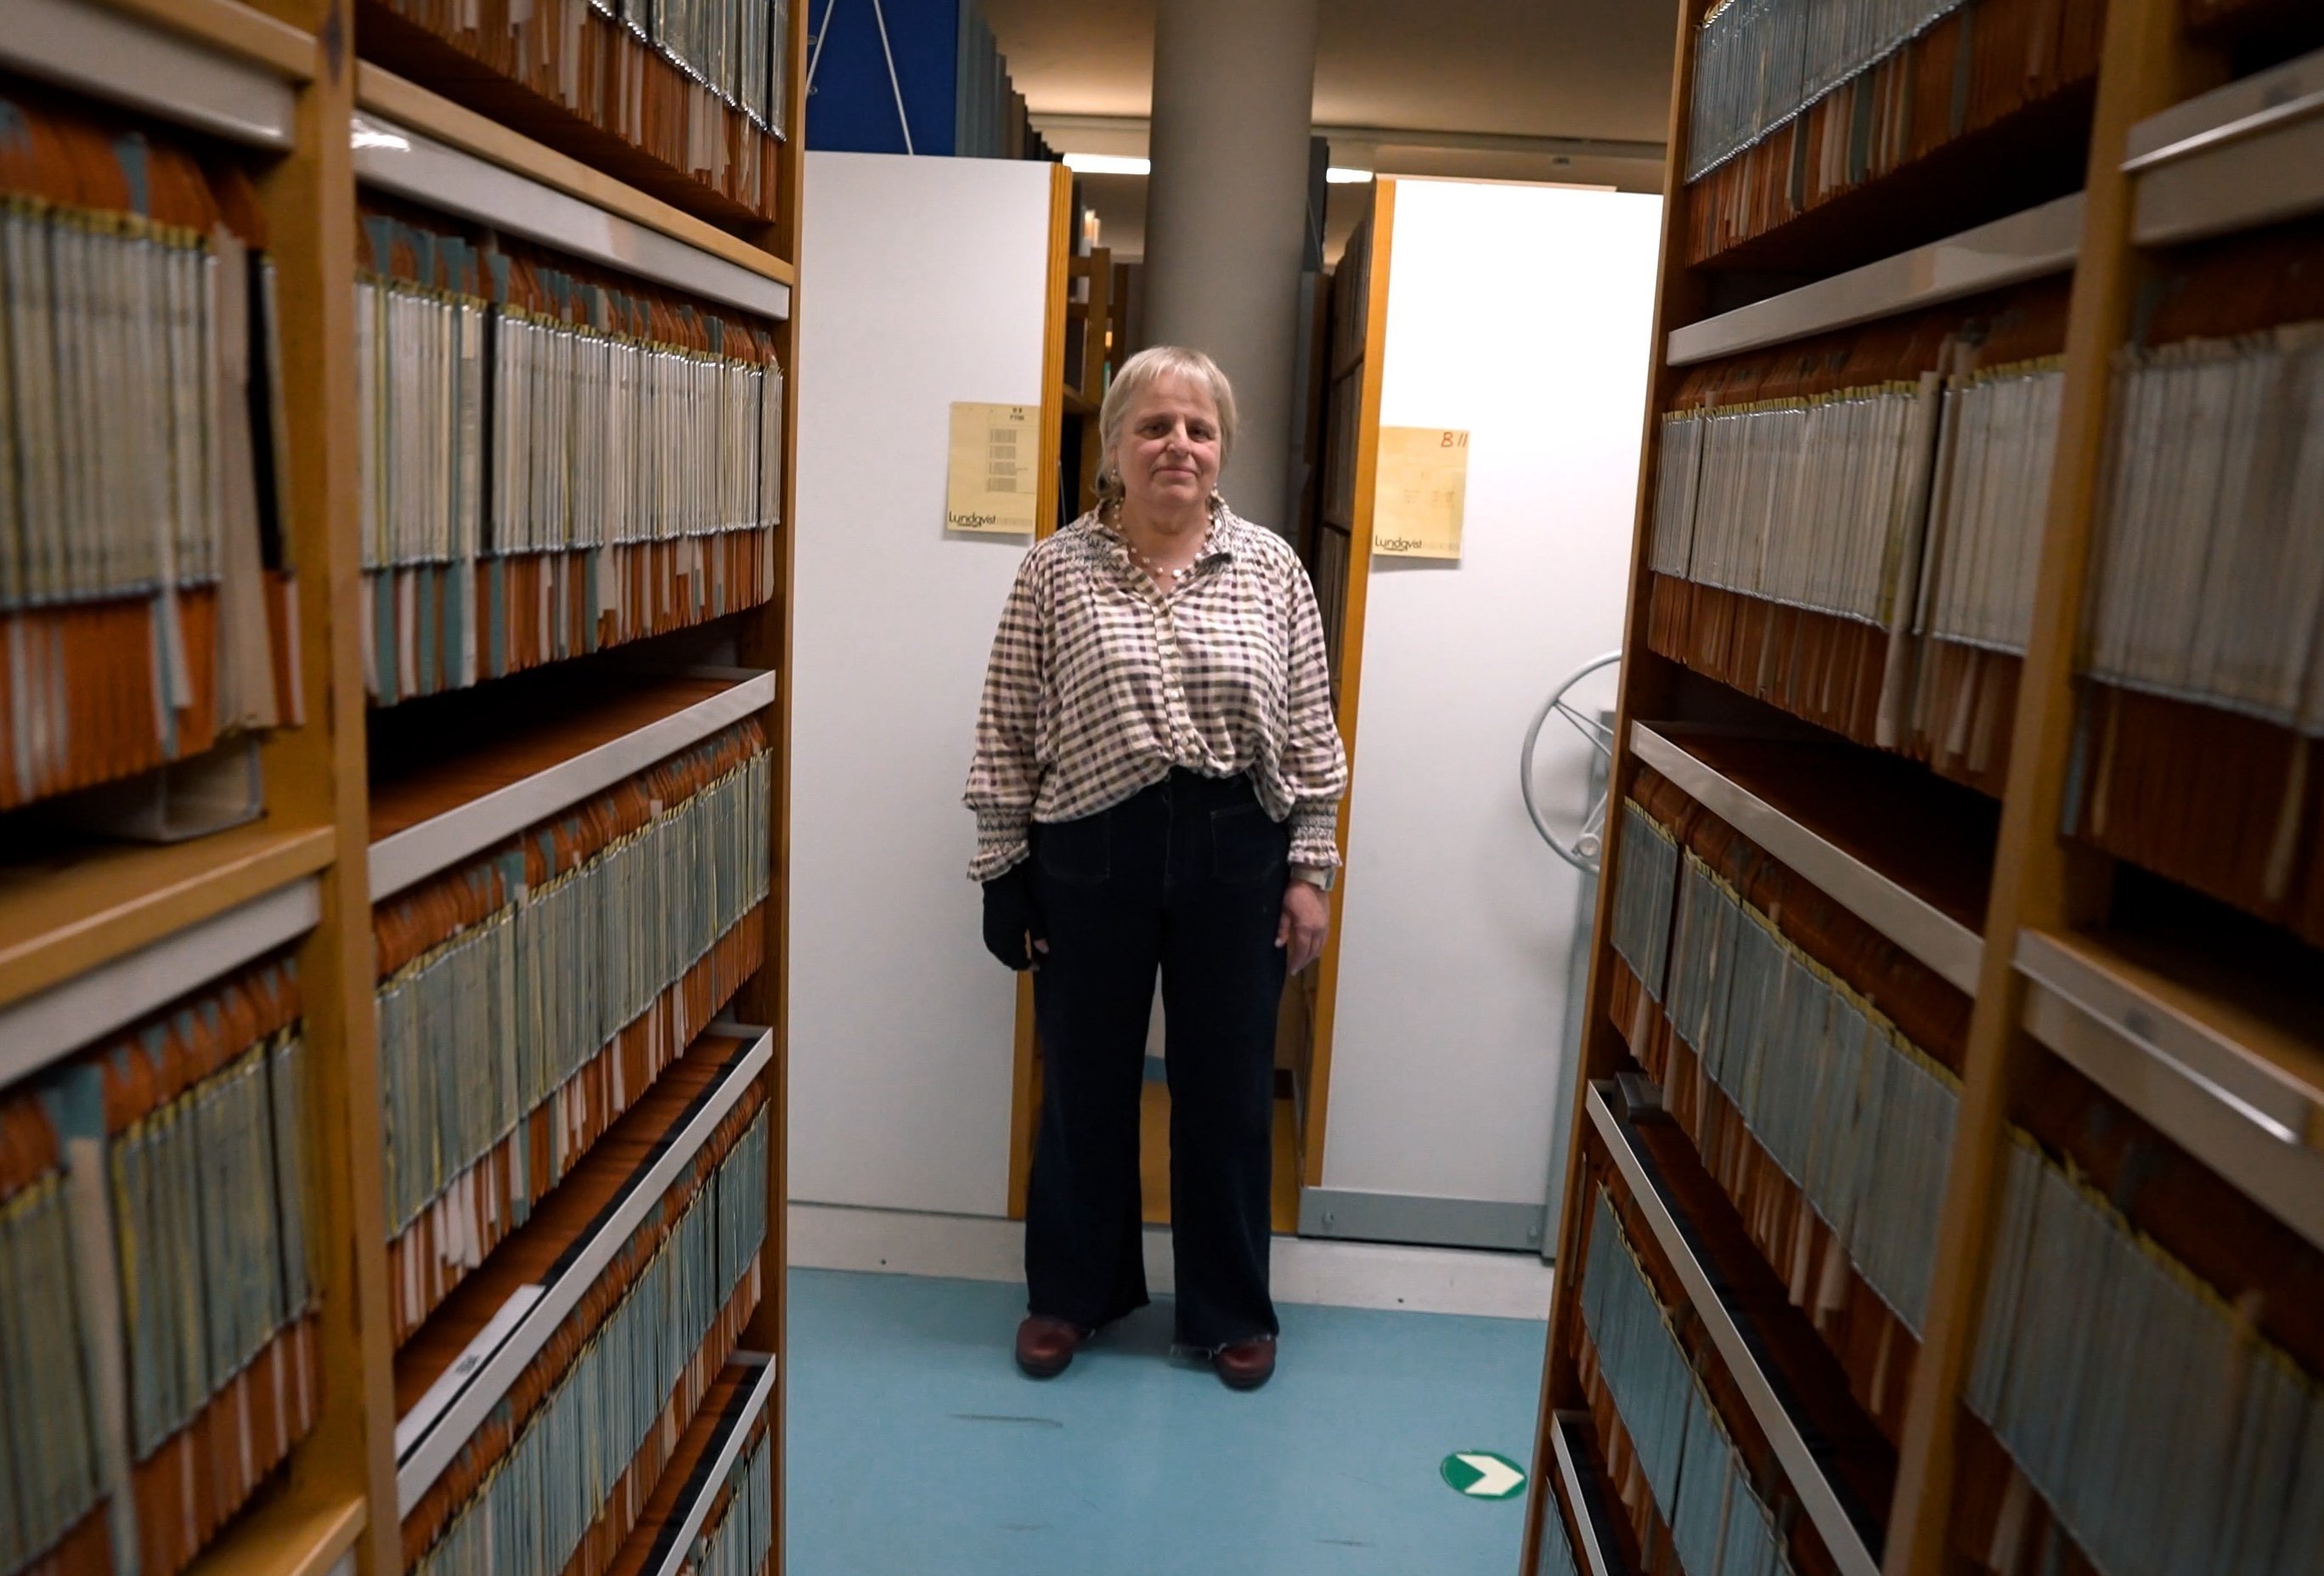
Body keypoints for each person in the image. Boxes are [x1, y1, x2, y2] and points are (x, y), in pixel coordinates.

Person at [964, 346, 1350, 1392]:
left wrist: (1309, 867)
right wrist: (1003, 870)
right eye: (1154, 426)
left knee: (1225, 1090)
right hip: (1090, 849)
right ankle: (1070, 1295)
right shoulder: (1054, 568)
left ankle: (1229, 1310)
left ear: (1222, 450)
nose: (1177, 445)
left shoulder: (1274, 569)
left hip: (1238, 850)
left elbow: (1312, 731)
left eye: (1199, 428)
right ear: (1117, 448)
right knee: (1084, 1084)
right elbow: (1006, 724)